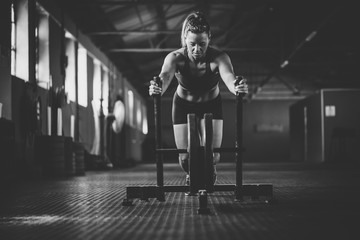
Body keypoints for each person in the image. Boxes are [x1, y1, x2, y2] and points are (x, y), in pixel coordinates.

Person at [149, 11, 248, 184]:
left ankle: (211, 170)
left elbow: (229, 78)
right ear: (185, 39)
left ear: (209, 38)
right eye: (192, 44)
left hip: (211, 105)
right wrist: (157, 87)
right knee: (185, 159)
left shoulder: (219, 57)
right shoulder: (175, 58)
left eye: (202, 44)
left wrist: (237, 86)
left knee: (214, 156)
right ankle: (191, 175)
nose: (197, 49)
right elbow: (164, 76)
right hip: (182, 106)